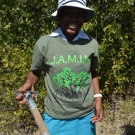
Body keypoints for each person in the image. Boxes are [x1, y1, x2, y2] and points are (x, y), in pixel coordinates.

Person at [16, 0, 103, 135]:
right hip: (56, 117)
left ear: (84, 17)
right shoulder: (45, 43)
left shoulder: (91, 43)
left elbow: (92, 71)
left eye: (79, 14)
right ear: (60, 15)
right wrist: (28, 83)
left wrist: (98, 97)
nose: (74, 18)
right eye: (68, 13)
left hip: (86, 116)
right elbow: (36, 70)